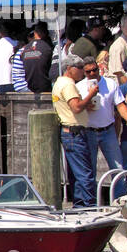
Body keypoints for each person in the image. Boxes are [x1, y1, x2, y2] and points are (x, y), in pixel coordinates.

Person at [52, 56, 97, 208]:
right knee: (85, 174)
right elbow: (76, 107)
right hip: (74, 132)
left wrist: (85, 104)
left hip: (69, 131)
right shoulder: (68, 85)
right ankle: (88, 206)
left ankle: (80, 205)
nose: (82, 71)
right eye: (79, 67)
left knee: (76, 174)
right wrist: (91, 94)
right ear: (69, 68)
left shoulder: (59, 82)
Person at [82, 56, 124, 176]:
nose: (92, 73)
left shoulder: (110, 83)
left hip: (108, 130)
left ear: (98, 68)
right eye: (88, 71)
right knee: (90, 171)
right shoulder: (79, 86)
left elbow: (120, 105)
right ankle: (93, 195)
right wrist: (86, 104)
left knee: (118, 168)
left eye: (94, 70)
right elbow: (76, 108)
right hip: (88, 131)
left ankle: (119, 195)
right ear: (84, 72)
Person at [19, 21, 54, 92]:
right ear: (45, 33)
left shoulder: (25, 49)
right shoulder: (47, 48)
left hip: (30, 87)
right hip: (45, 87)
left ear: (35, 33)